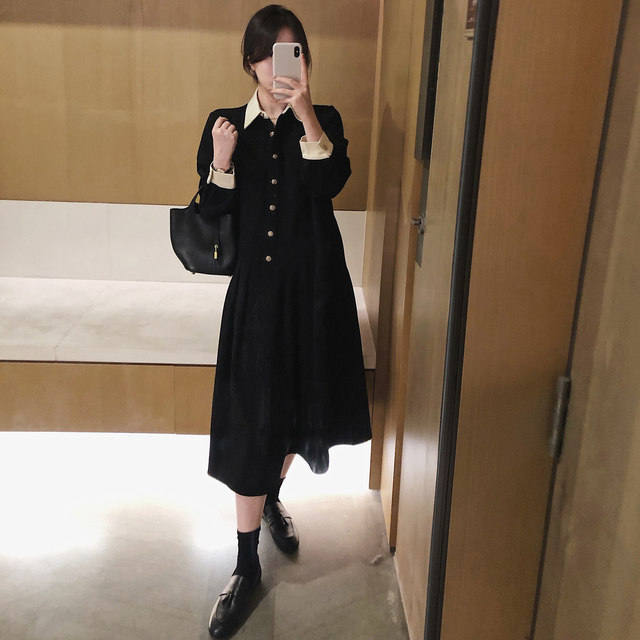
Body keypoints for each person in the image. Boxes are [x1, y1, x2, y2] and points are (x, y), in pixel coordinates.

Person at [196, 5, 372, 637]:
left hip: (315, 294)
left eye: (293, 53)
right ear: (251, 63)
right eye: (270, 55)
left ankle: (272, 497)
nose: (281, 67)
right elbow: (211, 212)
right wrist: (221, 160)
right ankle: (246, 564)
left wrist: (306, 115)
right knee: (249, 423)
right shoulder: (226, 125)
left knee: (297, 410)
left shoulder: (324, 120)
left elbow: (331, 183)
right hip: (255, 299)